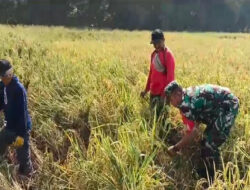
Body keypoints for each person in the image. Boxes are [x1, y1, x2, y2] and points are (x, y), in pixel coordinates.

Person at [165, 81, 239, 179]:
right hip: (219, 105)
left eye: (171, 99)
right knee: (205, 139)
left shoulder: (186, 105)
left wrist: (176, 148)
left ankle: (214, 176)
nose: (170, 103)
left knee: (210, 144)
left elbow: (193, 133)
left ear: (178, 94)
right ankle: (208, 167)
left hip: (228, 107)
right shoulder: (185, 94)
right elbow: (196, 118)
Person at [0, 59, 33, 176]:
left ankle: (28, 175)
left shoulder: (18, 90)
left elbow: (22, 115)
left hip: (20, 129)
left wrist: (21, 136)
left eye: (2, 77)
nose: (1, 80)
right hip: (9, 126)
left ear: (8, 75)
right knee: (1, 139)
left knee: (23, 157)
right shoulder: (3, 86)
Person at [141, 29, 175, 119]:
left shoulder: (168, 55)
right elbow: (151, 74)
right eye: (154, 44)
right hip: (153, 92)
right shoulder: (153, 55)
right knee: (153, 118)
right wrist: (146, 90)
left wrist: (165, 94)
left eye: (158, 43)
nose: (156, 46)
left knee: (163, 119)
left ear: (164, 40)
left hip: (163, 94)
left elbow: (170, 77)